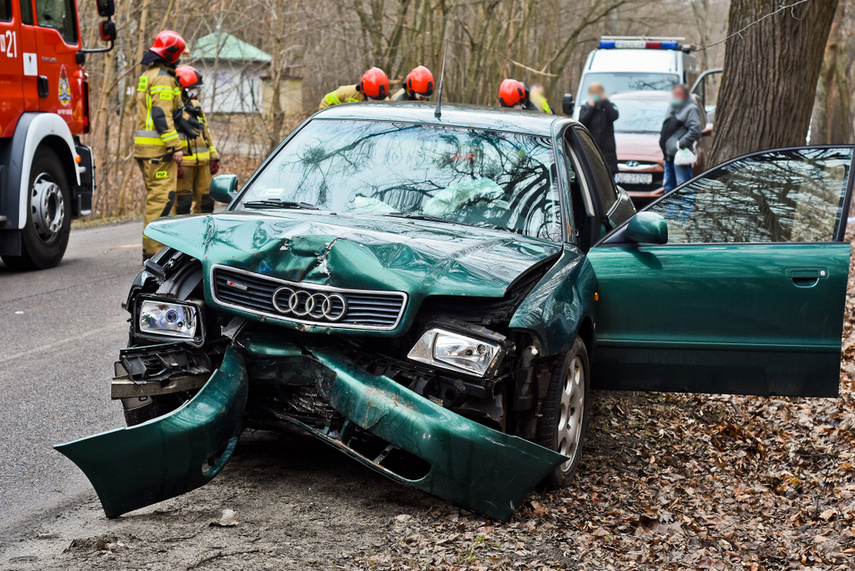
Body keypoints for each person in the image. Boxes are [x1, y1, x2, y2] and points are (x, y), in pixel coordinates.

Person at [134, 30, 185, 261]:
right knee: (161, 201)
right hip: (158, 151)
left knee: (157, 198)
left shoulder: (148, 74)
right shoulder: (163, 78)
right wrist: (175, 146)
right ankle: (154, 256)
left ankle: (157, 252)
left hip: (146, 150)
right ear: (173, 55)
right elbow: (160, 114)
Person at [173, 65, 219, 215]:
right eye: (192, 87)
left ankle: (202, 233)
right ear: (182, 87)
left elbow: (205, 131)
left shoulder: (196, 106)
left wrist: (214, 156)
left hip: (204, 163)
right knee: (182, 203)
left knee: (207, 200)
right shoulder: (173, 108)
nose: (195, 90)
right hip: (184, 162)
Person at [659, 83, 702, 192]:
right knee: (669, 188)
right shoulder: (672, 107)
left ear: (685, 96)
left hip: (680, 156)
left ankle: (687, 209)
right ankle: (670, 210)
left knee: (683, 188)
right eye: (674, 94)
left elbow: (695, 130)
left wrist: (681, 143)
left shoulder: (690, 108)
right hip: (668, 156)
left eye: (678, 94)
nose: (675, 96)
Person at [578, 82, 619, 174]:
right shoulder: (586, 107)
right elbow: (582, 121)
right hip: (591, 150)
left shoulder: (608, 107)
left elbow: (614, 116)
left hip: (607, 154)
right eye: (594, 93)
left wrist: (606, 101)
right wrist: (591, 107)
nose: (596, 95)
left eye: (598, 92)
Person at [319, 68, 390, 110]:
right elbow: (326, 101)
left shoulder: (387, 104)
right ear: (364, 91)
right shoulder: (347, 93)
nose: (376, 103)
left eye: (380, 100)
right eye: (373, 100)